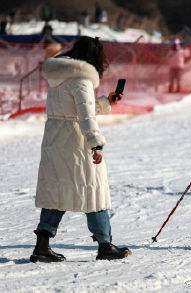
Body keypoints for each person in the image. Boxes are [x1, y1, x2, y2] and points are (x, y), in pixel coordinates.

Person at [30, 36, 131, 263]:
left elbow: (74, 109)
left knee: (58, 193)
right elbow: (85, 116)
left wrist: (106, 102)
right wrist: (96, 143)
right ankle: (105, 245)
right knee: (93, 191)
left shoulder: (59, 77)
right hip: (76, 144)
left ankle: (41, 246)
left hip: (55, 141)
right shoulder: (82, 80)